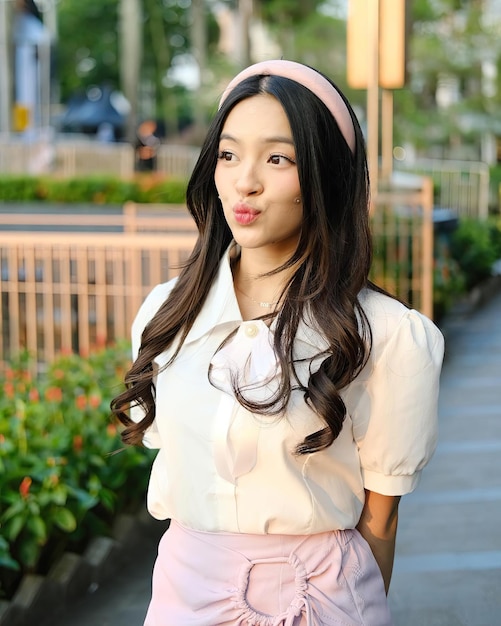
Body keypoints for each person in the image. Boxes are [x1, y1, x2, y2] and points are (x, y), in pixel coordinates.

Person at [110, 60, 444, 626]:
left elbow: (381, 524)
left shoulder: (385, 334)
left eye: (277, 158)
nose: (246, 181)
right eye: (229, 154)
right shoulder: (167, 315)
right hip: (182, 598)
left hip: (322, 601)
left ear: (324, 175)